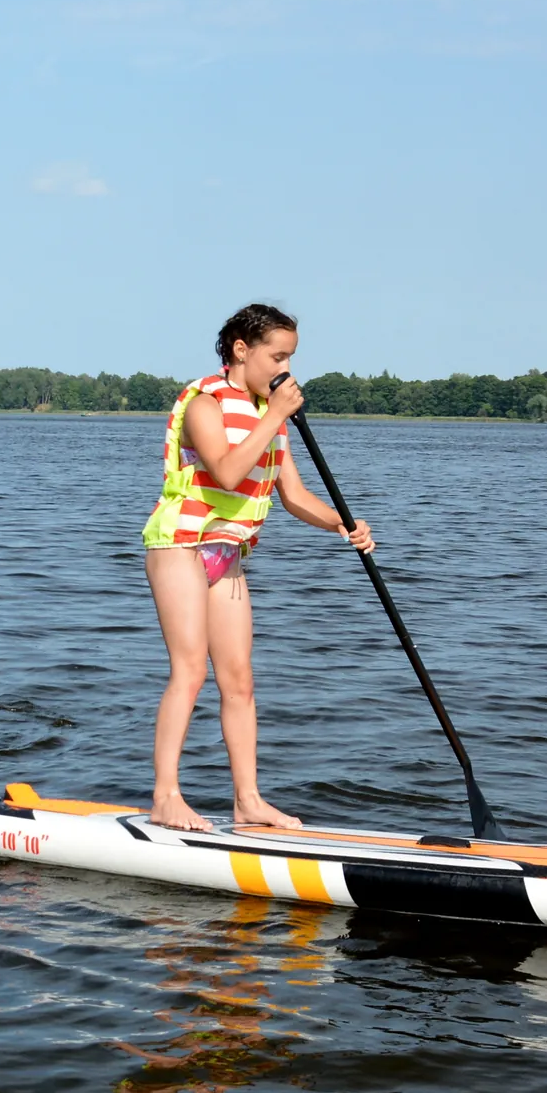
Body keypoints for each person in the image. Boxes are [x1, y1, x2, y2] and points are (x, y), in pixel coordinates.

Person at [141, 302, 374, 832]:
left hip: (227, 552)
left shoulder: (270, 418)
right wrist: (274, 416)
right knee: (190, 669)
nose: (285, 369)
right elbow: (225, 472)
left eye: (290, 357)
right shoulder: (206, 402)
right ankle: (165, 797)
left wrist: (342, 523)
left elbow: (293, 495)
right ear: (241, 350)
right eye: (277, 356)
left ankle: (247, 801)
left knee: (239, 681)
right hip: (181, 541)